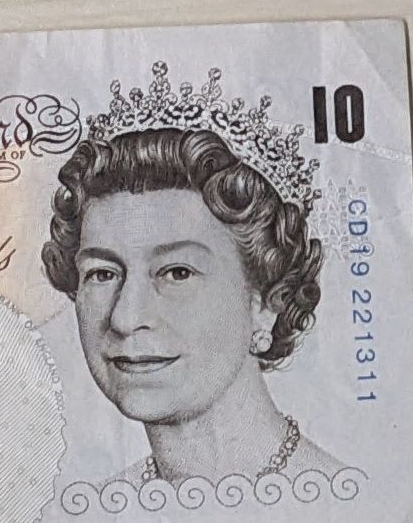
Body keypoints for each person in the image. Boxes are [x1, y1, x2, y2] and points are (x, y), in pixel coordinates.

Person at [42, 71, 340, 490]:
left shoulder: (335, 493)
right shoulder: (96, 510)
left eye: (177, 272)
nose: (125, 318)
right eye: (102, 274)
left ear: (266, 302)